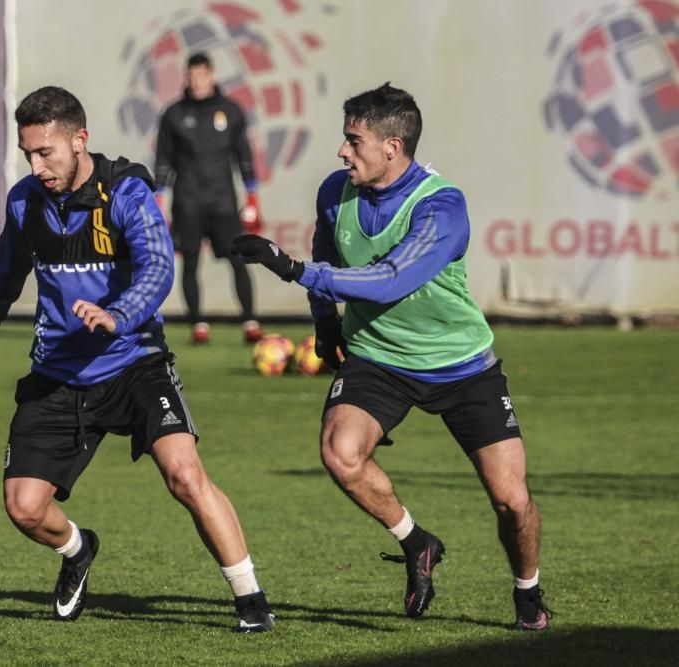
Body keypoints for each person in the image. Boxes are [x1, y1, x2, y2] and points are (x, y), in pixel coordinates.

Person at [232, 83, 552, 631]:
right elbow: (329, 255)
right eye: (344, 138)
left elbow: (390, 280)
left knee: (512, 503)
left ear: (392, 147)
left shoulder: (442, 206)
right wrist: (324, 320)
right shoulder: (337, 192)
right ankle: (416, 541)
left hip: (462, 366)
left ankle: (528, 592)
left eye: (354, 141)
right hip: (378, 358)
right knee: (341, 453)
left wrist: (289, 269)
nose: (342, 152)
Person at [0, 86, 274, 632]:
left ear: (80, 141)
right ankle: (79, 550)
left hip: (133, 363)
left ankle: (250, 599)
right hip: (56, 372)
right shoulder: (24, 201)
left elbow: (157, 267)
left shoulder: (125, 191)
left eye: (45, 153)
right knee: (24, 509)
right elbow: (7, 269)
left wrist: (118, 314)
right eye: (28, 153)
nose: (37, 166)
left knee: (183, 473)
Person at [154, 52, 263, 345]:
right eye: (191, 75)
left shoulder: (230, 111)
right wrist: (159, 198)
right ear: (185, 77)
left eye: (201, 75)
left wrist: (252, 197)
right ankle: (198, 323)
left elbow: (244, 155)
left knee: (237, 258)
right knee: (189, 262)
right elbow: (163, 158)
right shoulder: (174, 114)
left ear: (212, 75)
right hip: (188, 201)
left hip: (222, 202)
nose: (196, 81)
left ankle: (250, 321)